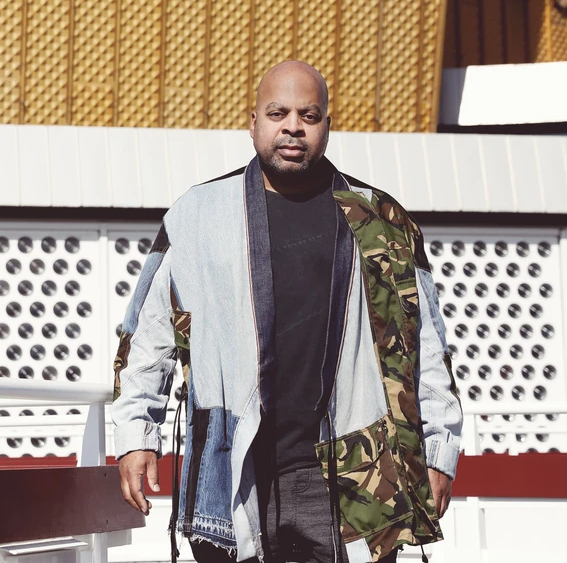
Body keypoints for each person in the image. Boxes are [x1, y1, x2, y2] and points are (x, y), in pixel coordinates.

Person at [111, 61, 462, 563]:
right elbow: (148, 336)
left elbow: (425, 345)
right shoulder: (199, 214)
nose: (293, 127)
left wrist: (439, 450)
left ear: (326, 126)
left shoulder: (379, 219)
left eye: (308, 115)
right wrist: (135, 436)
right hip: (232, 466)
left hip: (353, 471)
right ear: (253, 122)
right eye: (278, 113)